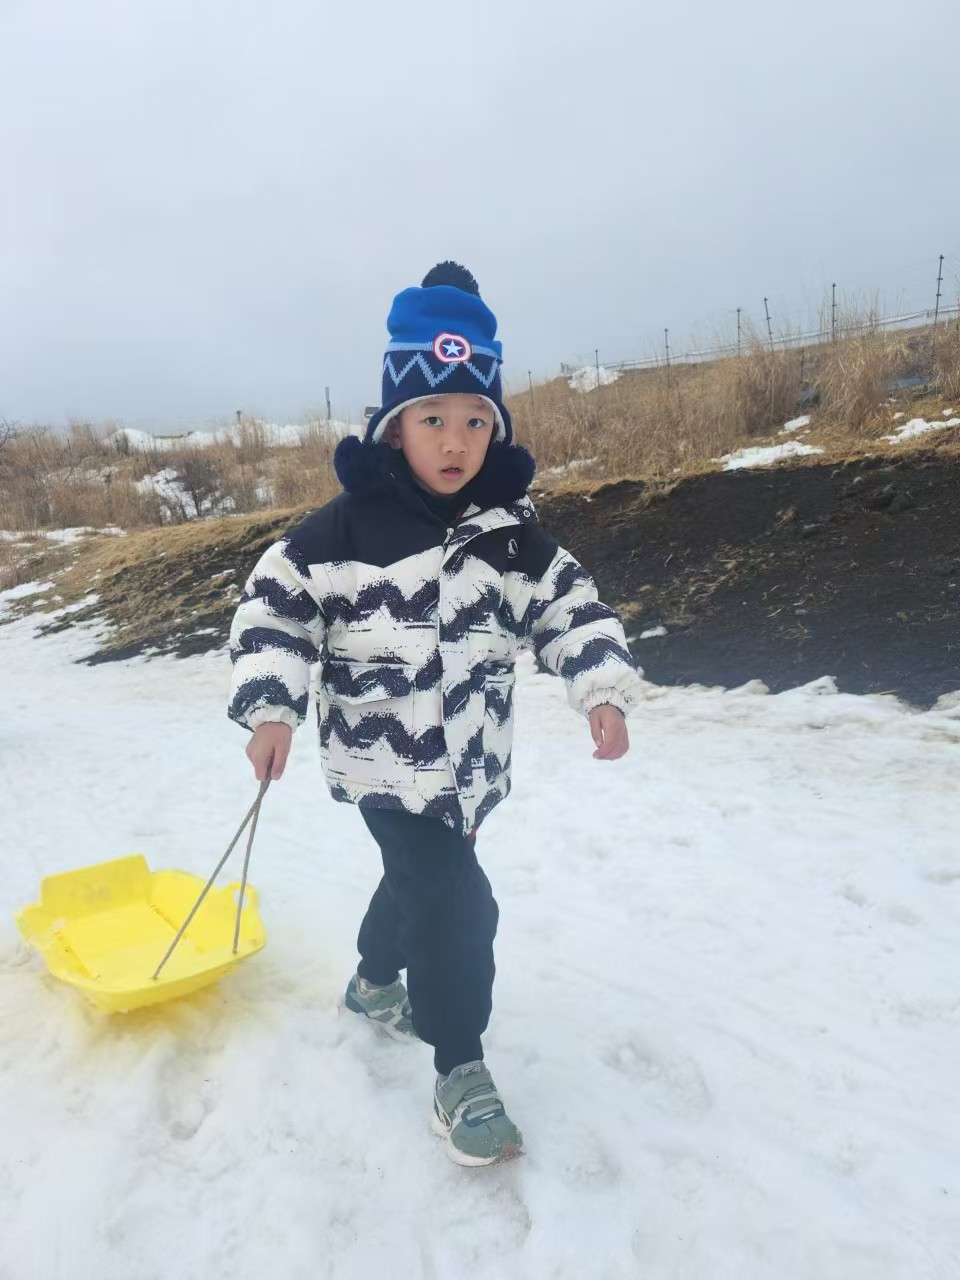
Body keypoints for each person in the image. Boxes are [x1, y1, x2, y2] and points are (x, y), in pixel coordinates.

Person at [228, 262, 643, 1166]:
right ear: (394, 424)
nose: (455, 440)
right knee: (459, 904)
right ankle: (460, 1069)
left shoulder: (510, 536)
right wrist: (271, 708)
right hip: (382, 763)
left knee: (417, 883)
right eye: (432, 419)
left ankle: (376, 983)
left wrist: (600, 687)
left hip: (468, 765)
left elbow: (570, 609)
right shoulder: (344, 530)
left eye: (475, 420)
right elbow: (275, 611)